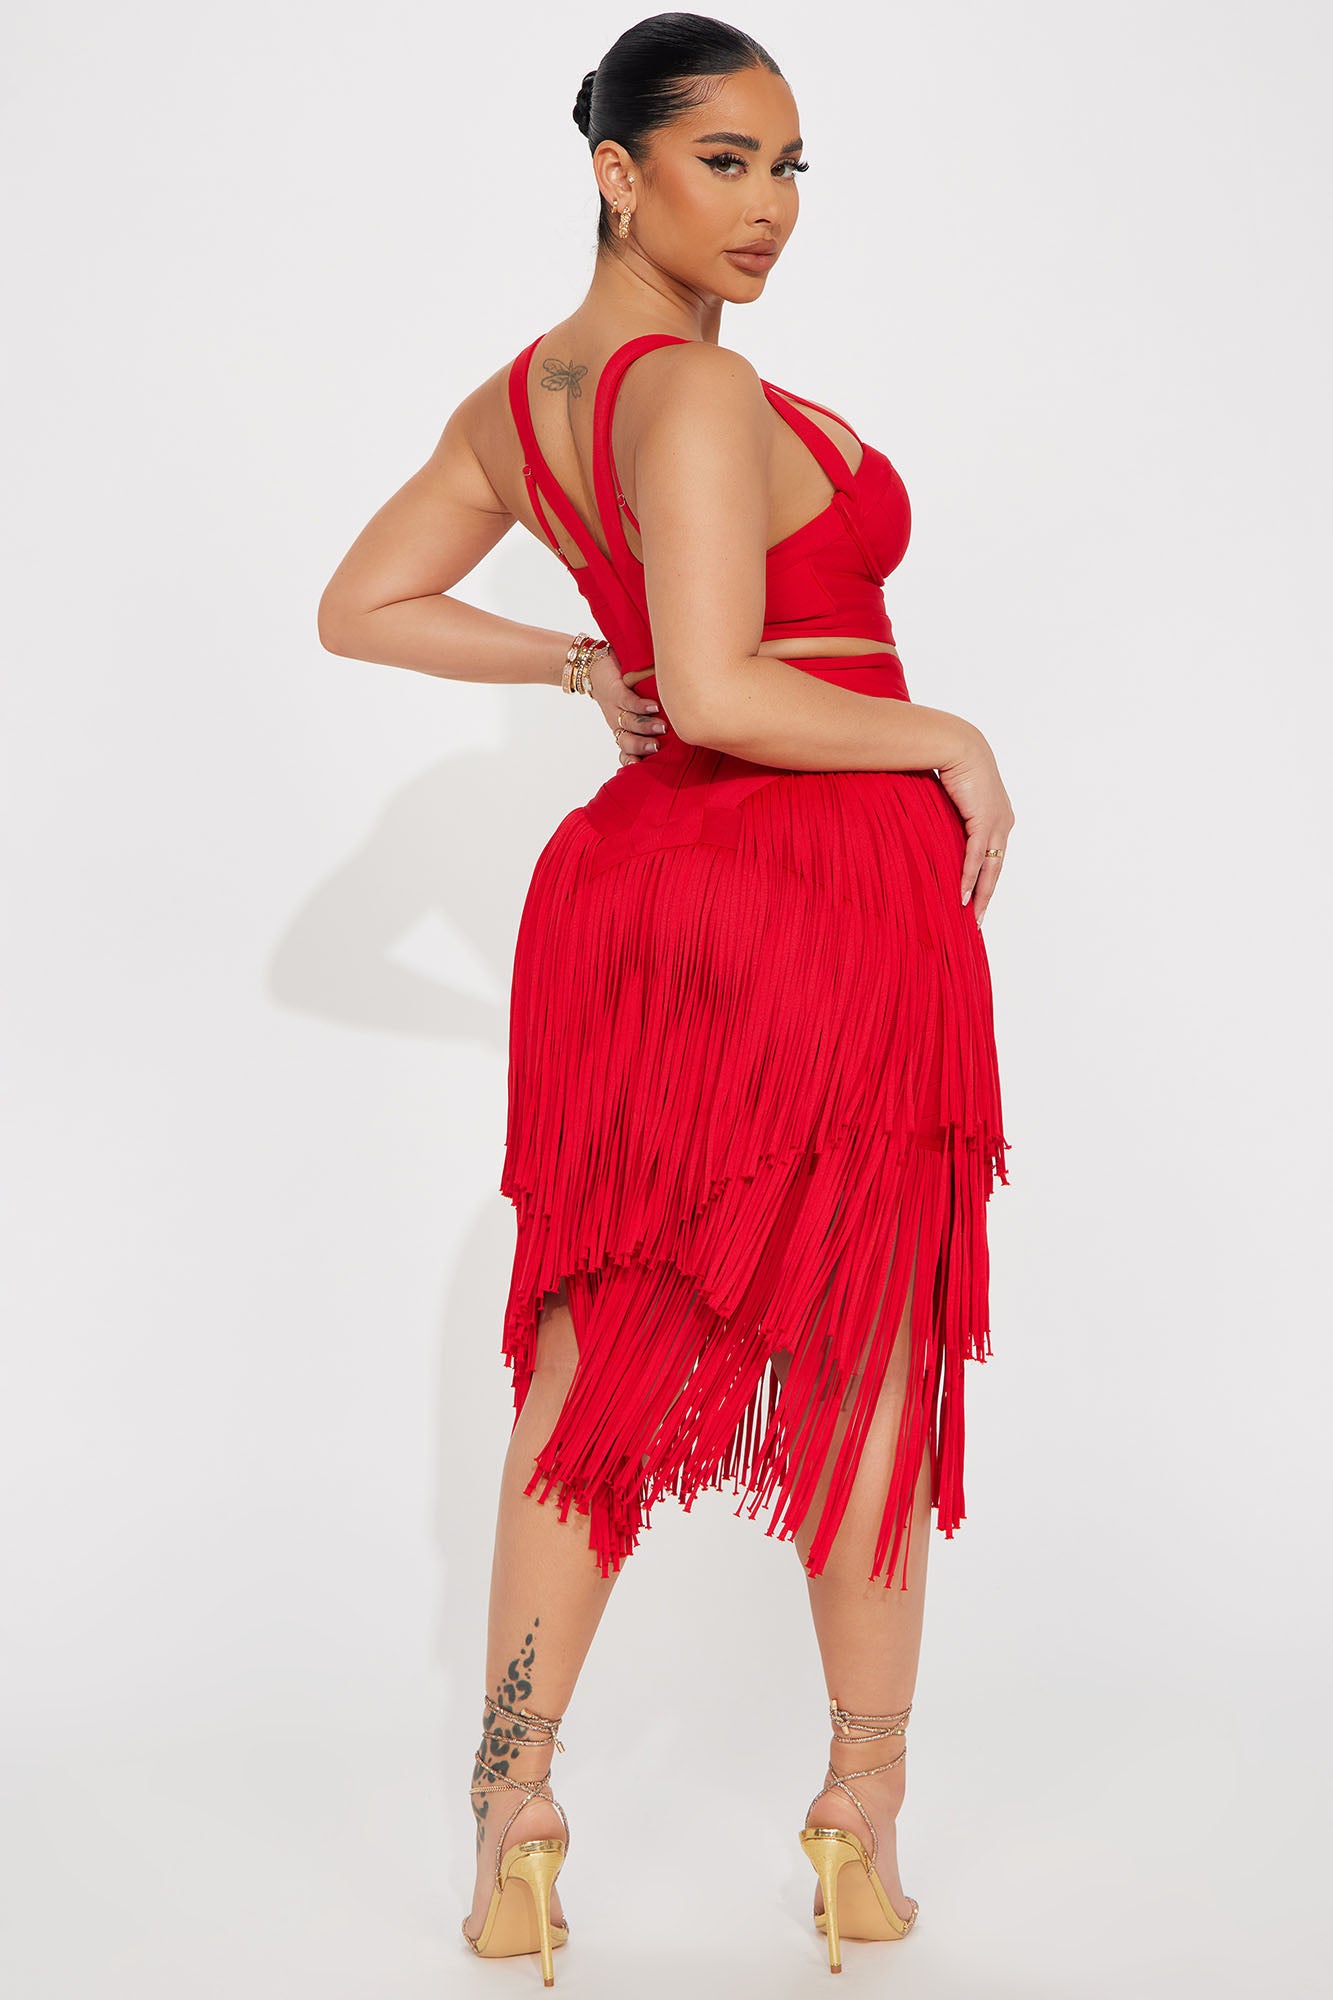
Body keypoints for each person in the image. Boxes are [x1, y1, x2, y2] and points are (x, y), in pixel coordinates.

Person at [318, 12, 1015, 1982]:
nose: (769, 206)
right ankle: (859, 1807)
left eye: (790, 167)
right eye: (724, 161)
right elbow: (719, 689)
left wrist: (570, 665)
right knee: (867, 1338)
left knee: (592, 1347)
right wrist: (947, 735)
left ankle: (510, 1811)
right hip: (811, 876)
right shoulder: (692, 392)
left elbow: (362, 602)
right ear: (616, 172)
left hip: (636, 893)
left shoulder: (518, 403)